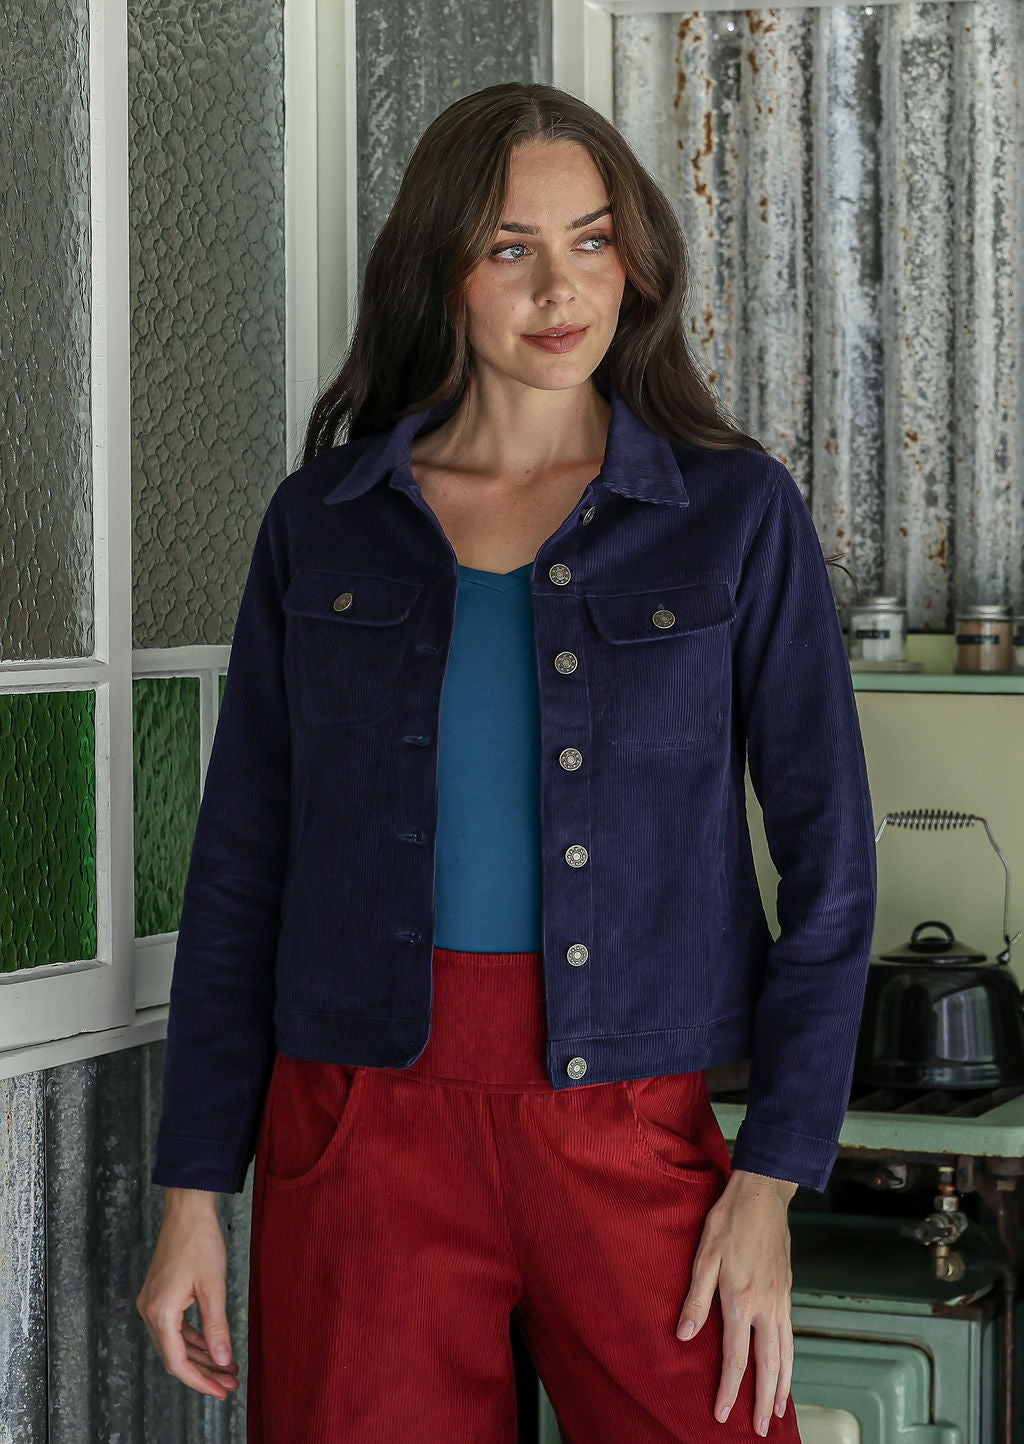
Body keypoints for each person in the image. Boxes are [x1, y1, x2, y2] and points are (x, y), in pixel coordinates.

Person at [137, 81, 877, 1443]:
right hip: (361, 1130)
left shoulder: (732, 513)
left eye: (592, 240)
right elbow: (241, 866)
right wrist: (194, 1193)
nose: (561, 288)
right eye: (509, 247)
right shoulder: (324, 523)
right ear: (444, 271)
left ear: (634, 261)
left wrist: (773, 1176)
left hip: (635, 1126)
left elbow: (833, 863)